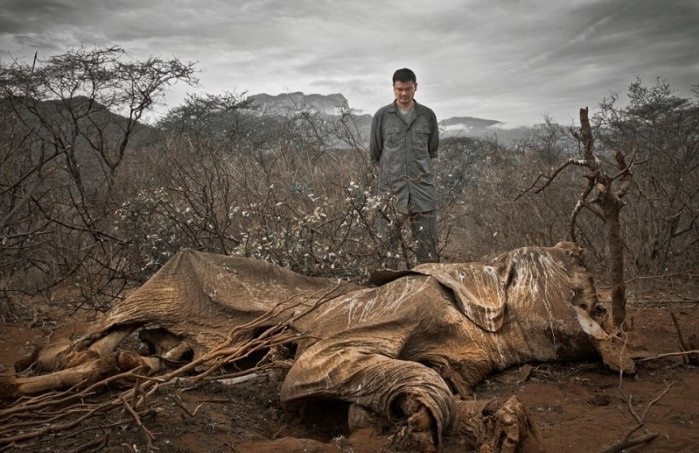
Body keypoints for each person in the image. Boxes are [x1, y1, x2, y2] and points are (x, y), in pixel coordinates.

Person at [369, 68, 440, 265]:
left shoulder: (427, 116)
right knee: (387, 249)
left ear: (415, 87)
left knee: (427, 249)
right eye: (399, 89)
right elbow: (375, 153)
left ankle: (429, 288)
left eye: (408, 89)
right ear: (393, 88)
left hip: (423, 190)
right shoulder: (382, 116)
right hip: (391, 191)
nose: (403, 93)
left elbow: (432, 150)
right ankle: (387, 289)